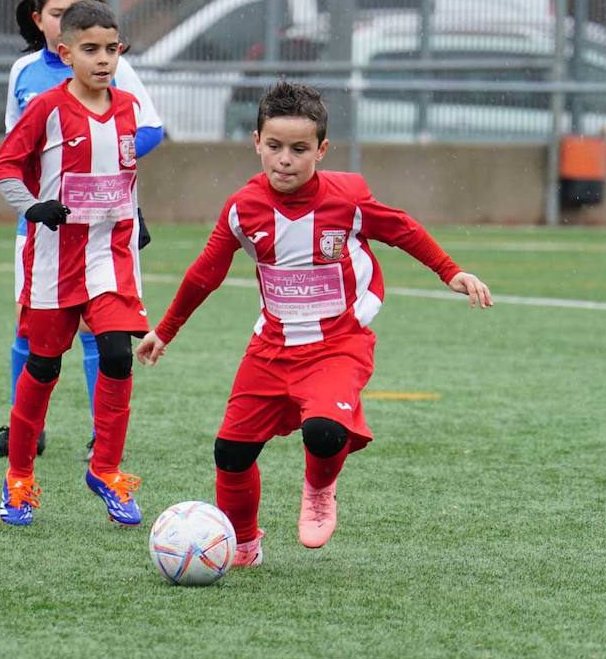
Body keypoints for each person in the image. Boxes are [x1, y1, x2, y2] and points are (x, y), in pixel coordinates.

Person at [135, 80, 492, 567]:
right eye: (275, 146)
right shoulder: (243, 208)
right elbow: (205, 274)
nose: (285, 159)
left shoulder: (348, 199)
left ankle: (320, 490)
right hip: (271, 346)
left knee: (324, 432)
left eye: (299, 149)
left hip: (338, 343)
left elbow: (401, 228)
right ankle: (242, 543)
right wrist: (165, 329)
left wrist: (450, 270)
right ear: (256, 142)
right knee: (231, 453)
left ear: (321, 150)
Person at [0, 0, 163, 459]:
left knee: (104, 331)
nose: (71, 22)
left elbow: (151, 129)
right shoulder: (25, 72)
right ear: (41, 22)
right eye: (58, 13)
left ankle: (104, 438)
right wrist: (32, 200)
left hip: (102, 226)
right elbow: (14, 147)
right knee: (31, 328)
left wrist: (105, 167)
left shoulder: (114, 68)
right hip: (43, 223)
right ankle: (25, 435)